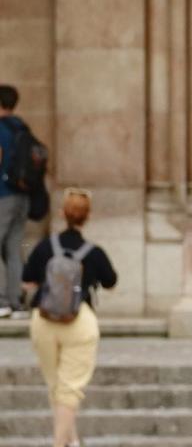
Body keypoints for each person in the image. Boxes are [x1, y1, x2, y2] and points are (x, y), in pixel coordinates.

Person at [22, 188, 117, 447]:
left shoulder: (44, 247)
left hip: (43, 320)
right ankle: (59, 443)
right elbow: (110, 281)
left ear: (63, 213)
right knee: (70, 389)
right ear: (87, 217)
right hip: (79, 321)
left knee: (56, 386)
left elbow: (28, 279)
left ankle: (71, 440)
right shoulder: (94, 252)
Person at [0, 84, 30, 318]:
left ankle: (2, 301)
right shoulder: (22, 127)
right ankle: (15, 302)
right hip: (22, 195)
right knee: (13, 250)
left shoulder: (1, 129)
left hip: (3, 194)